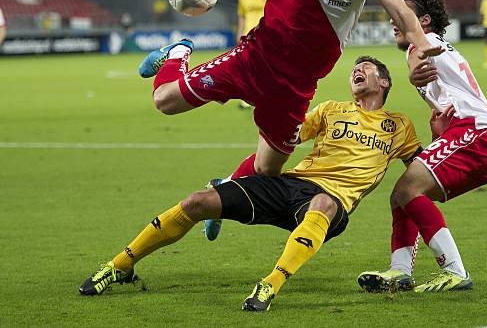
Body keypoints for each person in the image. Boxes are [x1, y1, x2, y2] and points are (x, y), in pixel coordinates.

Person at [137, 0, 440, 184]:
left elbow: (400, 10)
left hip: (296, 86)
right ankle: (178, 51)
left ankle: (223, 186)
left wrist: (422, 43)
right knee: (165, 101)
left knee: (268, 168)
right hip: (255, 60)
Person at [79, 56, 424, 311]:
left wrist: (443, 133)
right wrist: (271, 103)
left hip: (331, 202)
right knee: (197, 202)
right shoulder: (332, 109)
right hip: (290, 185)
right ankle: (120, 265)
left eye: (366, 69)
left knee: (323, 204)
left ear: (384, 83)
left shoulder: (399, 126)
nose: (357, 71)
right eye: (354, 69)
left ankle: (269, 286)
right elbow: (286, 134)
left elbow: (423, 172)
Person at [358, 0, 487, 293]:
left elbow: (419, 56)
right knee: (401, 194)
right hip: (474, 134)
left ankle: (455, 271)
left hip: (477, 133)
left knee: (408, 188)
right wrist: (442, 127)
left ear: (422, 20)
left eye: (401, 12)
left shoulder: (422, 41)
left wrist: (414, 73)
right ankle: (400, 271)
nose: (392, 19)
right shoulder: (438, 43)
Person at [236, 0, 270, 109]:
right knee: (247, 68)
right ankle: (246, 99)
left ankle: (265, 96)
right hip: (248, 36)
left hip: (265, 35)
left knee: (266, 68)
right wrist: (239, 32)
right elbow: (242, 17)